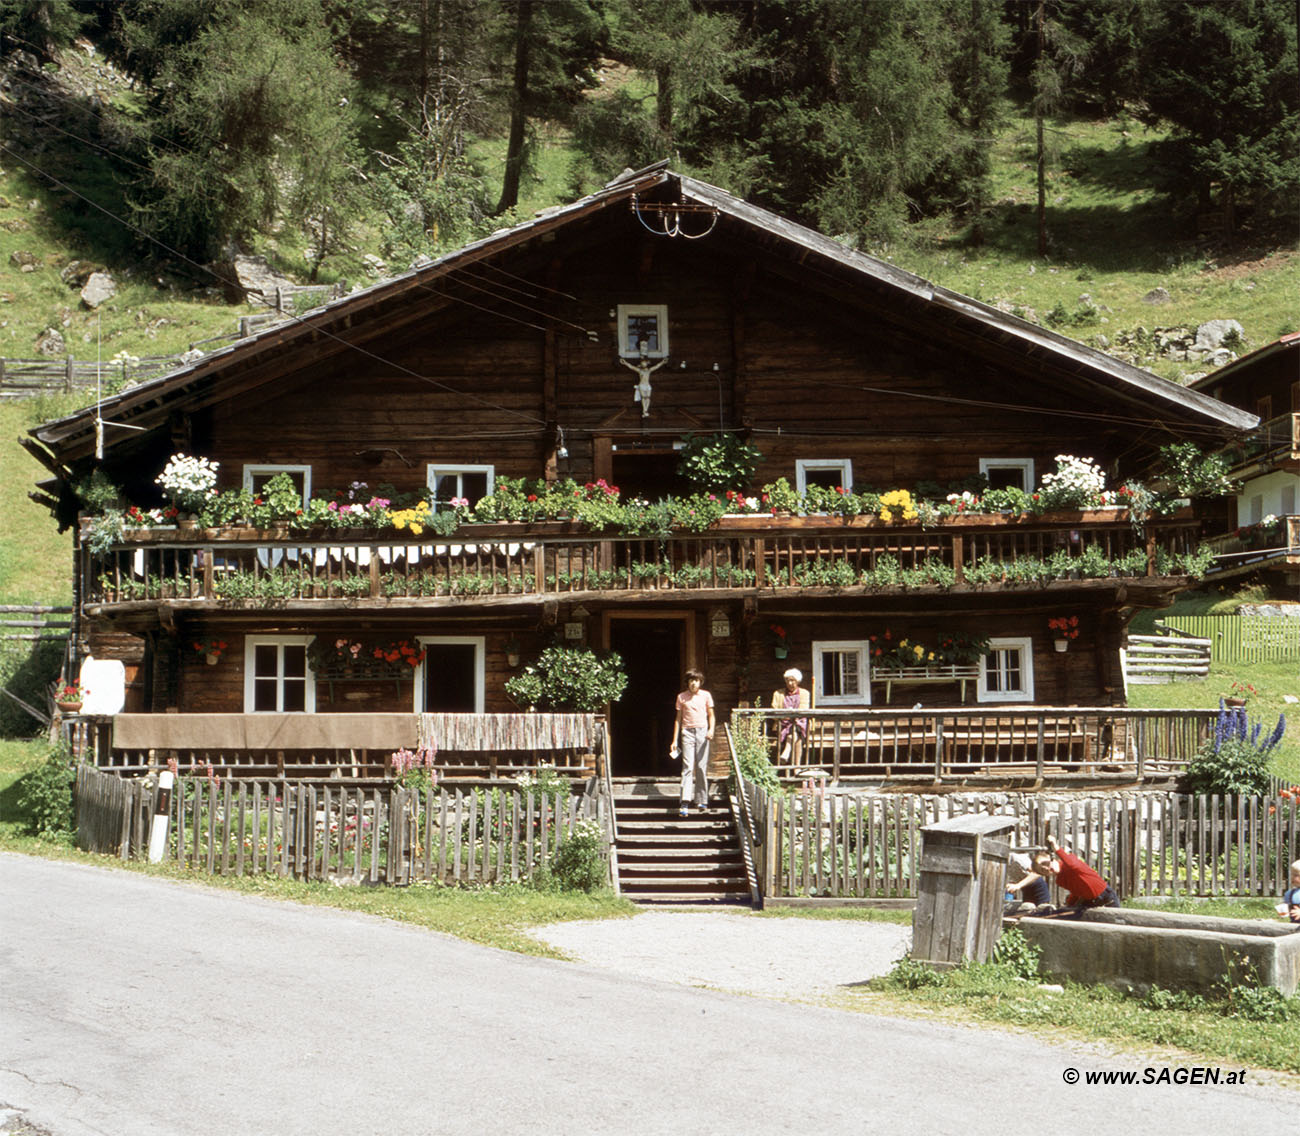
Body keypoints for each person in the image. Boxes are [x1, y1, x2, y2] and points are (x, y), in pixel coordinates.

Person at [1032, 832, 1119, 914]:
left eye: (1045, 864)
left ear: (1051, 858)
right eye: (1043, 870)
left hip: (1106, 896)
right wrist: (1069, 904)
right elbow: (1076, 892)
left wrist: (1055, 847)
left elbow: (1072, 865)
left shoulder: (1070, 861)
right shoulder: (1060, 880)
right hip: (1090, 901)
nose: (1047, 868)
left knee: (1118, 919)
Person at [669, 669, 715, 816]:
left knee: (701, 766)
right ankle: (685, 802)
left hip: (702, 731)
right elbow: (678, 719)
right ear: (687, 683)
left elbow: (711, 715)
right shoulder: (682, 697)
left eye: (696, 680)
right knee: (688, 766)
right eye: (691, 681)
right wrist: (674, 740)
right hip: (687, 732)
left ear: (700, 682)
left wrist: (711, 730)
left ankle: (701, 800)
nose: (693, 683)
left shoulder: (706, 695)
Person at [770, 667, 811, 764]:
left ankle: (786, 752)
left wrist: (792, 716)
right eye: (788, 680)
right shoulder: (777, 694)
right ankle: (796, 768)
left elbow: (803, 710)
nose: (790, 683)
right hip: (782, 724)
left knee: (795, 729)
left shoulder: (805, 693)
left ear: (798, 681)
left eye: (792, 680)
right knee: (796, 737)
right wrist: (784, 716)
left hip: (799, 723)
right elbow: (773, 710)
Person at [1278, 859, 1300, 924]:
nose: (1292, 877)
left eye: (1296, 875)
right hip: (1294, 925)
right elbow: (1287, 906)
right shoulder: (1290, 893)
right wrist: (1283, 910)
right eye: (1292, 874)